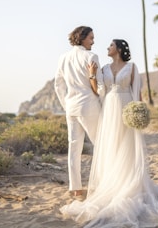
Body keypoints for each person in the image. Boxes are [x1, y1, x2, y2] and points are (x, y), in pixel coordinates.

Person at [59, 38, 158, 227]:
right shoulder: (104, 69)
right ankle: (112, 182)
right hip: (108, 110)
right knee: (111, 146)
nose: (107, 47)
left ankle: (128, 181)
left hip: (126, 107)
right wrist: (92, 75)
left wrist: (138, 111)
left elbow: (137, 93)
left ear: (119, 49)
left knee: (127, 146)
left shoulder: (132, 67)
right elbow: (98, 91)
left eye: (111, 45)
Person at [54, 26, 105, 198]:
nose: (93, 41)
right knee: (101, 144)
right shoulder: (91, 56)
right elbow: (99, 86)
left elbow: (58, 84)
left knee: (73, 148)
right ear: (82, 38)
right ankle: (104, 183)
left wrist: (65, 104)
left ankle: (75, 188)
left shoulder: (63, 58)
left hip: (71, 107)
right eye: (91, 37)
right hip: (88, 106)